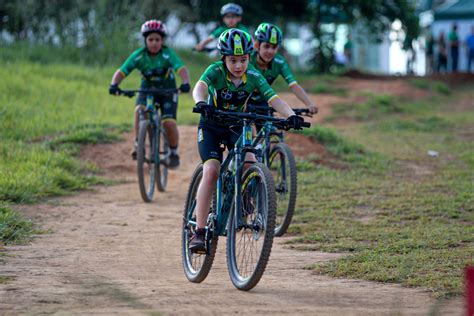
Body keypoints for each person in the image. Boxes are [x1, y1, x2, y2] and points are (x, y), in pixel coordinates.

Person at [190, 29, 304, 252]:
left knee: (251, 162)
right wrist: (200, 101)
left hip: (236, 126)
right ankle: (199, 231)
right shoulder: (215, 70)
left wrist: (290, 115)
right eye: (233, 60)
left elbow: (273, 98)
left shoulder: (253, 75)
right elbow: (200, 87)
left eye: (243, 60)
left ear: (249, 57)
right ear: (223, 58)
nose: (238, 65)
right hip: (211, 126)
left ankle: (242, 201)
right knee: (212, 170)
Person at [109, 20, 190, 169]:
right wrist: (114, 85)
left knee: (169, 123)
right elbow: (122, 71)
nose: (154, 43)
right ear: (145, 40)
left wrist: (185, 82)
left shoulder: (167, 54)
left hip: (167, 90)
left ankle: (173, 152)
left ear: (162, 41)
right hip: (146, 90)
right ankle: (137, 143)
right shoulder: (138, 56)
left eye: (157, 40)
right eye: (150, 39)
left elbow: (181, 68)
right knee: (139, 110)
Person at [250, 23, 317, 115]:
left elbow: (294, 85)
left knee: (269, 127)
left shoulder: (279, 62)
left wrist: (309, 104)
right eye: (266, 46)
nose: (270, 51)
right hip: (241, 103)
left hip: (262, 102)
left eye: (274, 47)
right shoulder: (246, 59)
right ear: (257, 45)